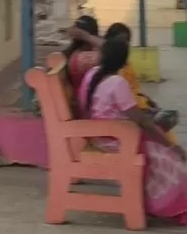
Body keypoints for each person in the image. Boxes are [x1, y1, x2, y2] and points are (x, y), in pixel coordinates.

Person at [79, 38, 187, 224]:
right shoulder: (117, 82)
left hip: (100, 135)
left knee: (158, 144)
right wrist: (171, 146)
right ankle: (167, 206)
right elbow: (141, 120)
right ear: (124, 61)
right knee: (168, 159)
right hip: (117, 139)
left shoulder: (93, 74)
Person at [104, 22, 179, 135]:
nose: (124, 45)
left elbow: (133, 89)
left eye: (127, 41)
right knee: (161, 131)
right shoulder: (114, 76)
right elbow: (126, 103)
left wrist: (146, 100)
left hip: (133, 105)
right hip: (124, 118)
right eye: (120, 41)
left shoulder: (121, 64)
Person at [64, 15, 103, 95]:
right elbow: (113, 49)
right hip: (89, 101)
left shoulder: (71, 53)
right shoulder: (85, 58)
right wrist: (87, 37)